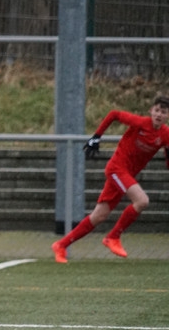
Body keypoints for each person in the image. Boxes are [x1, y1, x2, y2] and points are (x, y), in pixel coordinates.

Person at [52, 94, 169, 262]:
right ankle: (113, 237)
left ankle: (61, 245)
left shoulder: (165, 135)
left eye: (163, 112)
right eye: (156, 110)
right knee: (142, 201)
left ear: (167, 116)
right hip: (117, 169)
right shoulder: (140, 123)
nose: (158, 114)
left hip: (126, 174)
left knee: (99, 216)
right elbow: (114, 114)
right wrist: (96, 137)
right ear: (151, 110)